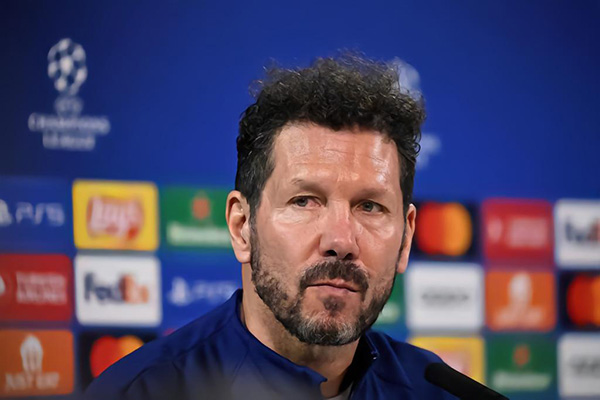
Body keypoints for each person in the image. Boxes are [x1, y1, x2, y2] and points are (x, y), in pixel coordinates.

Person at [84, 54, 457, 400]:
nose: (342, 240)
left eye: (370, 206)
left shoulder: (443, 393)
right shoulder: (140, 392)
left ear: (405, 238)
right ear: (241, 226)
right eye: (304, 201)